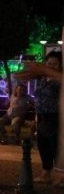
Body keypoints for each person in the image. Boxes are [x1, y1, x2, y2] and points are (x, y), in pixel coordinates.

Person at [14, 50, 61, 184]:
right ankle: (46, 173)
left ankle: (58, 174)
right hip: (41, 115)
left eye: (55, 64)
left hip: (54, 116)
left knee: (55, 146)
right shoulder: (42, 78)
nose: (51, 66)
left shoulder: (59, 80)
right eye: (49, 63)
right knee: (43, 144)